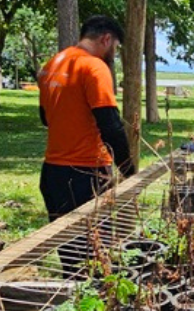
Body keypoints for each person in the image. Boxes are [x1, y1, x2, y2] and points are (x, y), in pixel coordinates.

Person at [37, 15, 136, 221]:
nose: (113, 55)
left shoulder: (53, 64)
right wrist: (128, 170)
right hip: (87, 171)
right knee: (95, 238)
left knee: (63, 236)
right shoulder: (94, 67)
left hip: (52, 172)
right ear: (106, 39)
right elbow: (110, 125)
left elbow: (45, 117)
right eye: (115, 48)